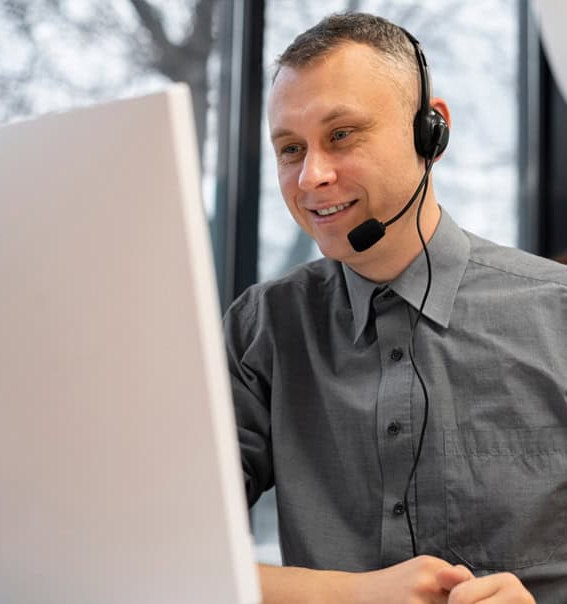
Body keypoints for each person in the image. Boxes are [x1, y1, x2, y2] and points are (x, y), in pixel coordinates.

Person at [224, 12, 567, 604]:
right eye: (289, 149)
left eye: (341, 135)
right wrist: (350, 594)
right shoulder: (265, 327)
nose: (312, 176)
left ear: (429, 132)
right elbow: (171, 552)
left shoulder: (556, 313)